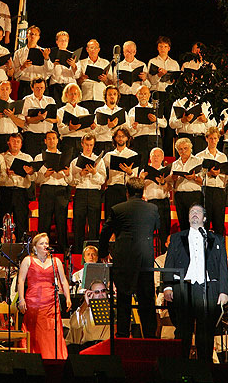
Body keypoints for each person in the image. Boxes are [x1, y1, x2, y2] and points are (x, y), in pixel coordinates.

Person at [163, 204, 228, 360]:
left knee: (206, 330)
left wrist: (223, 291)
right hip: (183, 286)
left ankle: (205, 366)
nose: (194, 214)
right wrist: (167, 286)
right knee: (183, 329)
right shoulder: (177, 237)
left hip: (208, 287)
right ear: (187, 217)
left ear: (204, 218)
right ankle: (181, 365)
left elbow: (222, 267)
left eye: (198, 212)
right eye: (191, 211)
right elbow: (169, 262)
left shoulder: (217, 239)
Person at [99, 177, 159, 338]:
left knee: (124, 298)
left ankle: (123, 335)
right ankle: (150, 337)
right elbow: (157, 228)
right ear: (143, 192)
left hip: (124, 258)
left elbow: (105, 233)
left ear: (127, 192)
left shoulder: (118, 209)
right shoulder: (152, 208)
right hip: (145, 258)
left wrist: (103, 252)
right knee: (146, 299)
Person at [18, 233, 71, 359]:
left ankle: (53, 357)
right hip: (33, 302)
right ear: (35, 247)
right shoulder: (28, 260)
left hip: (51, 302)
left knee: (51, 332)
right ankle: (36, 357)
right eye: (41, 243)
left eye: (46, 243)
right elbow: (21, 280)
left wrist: (68, 297)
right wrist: (21, 299)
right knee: (36, 333)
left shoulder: (55, 261)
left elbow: (63, 280)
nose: (45, 246)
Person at [69, 134, 107, 253]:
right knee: (78, 224)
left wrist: (94, 172)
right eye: (86, 144)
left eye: (91, 145)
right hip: (80, 192)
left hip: (94, 193)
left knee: (94, 224)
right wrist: (81, 174)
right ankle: (78, 253)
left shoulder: (99, 161)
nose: (88, 147)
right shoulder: (75, 162)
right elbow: (70, 181)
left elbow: (102, 180)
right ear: (82, 144)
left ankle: (93, 253)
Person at [0, 132, 34, 243]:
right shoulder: (2, 157)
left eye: (18, 141)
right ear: (8, 142)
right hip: (6, 191)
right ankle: (3, 246)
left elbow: (34, 178)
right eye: (13, 141)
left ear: (21, 144)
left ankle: (21, 245)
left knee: (21, 221)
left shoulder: (27, 157)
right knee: (4, 220)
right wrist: (5, 173)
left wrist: (29, 172)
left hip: (21, 191)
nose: (15, 143)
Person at [197, 127, 228, 236]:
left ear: (218, 139)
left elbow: (226, 175)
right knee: (205, 221)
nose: (213, 141)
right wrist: (208, 173)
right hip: (206, 190)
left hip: (219, 190)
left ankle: (218, 250)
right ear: (206, 139)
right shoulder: (200, 156)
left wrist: (220, 173)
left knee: (219, 222)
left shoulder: (223, 156)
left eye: (215, 138)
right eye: (211, 138)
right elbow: (198, 174)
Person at [102, 126, 139, 220]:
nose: (120, 138)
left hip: (125, 189)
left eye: (123, 136)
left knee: (124, 217)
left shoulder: (133, 155)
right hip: (111, 188)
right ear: (115, 138)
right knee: (110, 217)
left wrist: (129, 172)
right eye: (118, 136)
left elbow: (135, 176)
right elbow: (102, 173)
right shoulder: (108, 155)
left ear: (127, 138)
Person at [140, 147, 172, 254]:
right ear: (150, 157)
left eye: (158, 156)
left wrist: (163, 182)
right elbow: (138, 188)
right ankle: (148, 257)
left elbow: (170, 188)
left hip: (163, 202)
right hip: (149, 203)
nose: (156, 158)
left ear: (162, 158)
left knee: (164, 231)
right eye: (154, 155)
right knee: (148, 232)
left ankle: (163, 257)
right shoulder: (144, 171)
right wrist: (141, 179)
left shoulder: (167, 171)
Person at [66, 279, 111, 353]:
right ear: (90, 294)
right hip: (89, 346)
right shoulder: (85, 310)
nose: (101, 294)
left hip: (107, 346)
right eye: (97, 292)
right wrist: (86, 303)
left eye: (103, 291)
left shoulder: (112, 309)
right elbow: (74, 325)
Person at [170, 138, 204, 231]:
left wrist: (194, 177)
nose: (183, 151)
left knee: (196, 224)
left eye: (185, 148)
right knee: (183, 224)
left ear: (190, 149)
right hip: (180, 196)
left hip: (194, 195)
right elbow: (172, 183)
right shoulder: (175, 164)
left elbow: (203, 182)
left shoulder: (198, 161)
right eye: (180, 149)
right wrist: (174, 178)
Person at [128, 85, 164, 169]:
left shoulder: (155, 108)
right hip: (140, 139)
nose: (143, 96)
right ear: (137, 96)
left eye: (145, 94)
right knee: (141, 165)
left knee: (156, 164)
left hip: (154, 138)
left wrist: (156, 120)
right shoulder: (132, 111)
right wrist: (134, 127)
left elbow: (165, 124)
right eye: (141, 94)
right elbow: (130, 131)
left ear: (149, 96)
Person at [57, 82, 97, 160]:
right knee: (67, 165)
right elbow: (60, 130)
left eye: (75, 94)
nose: (73, 96)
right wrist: (70, 128)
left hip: (81, 141)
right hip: (68, 142)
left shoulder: (84, 111)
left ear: (78, 95)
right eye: (71, 94)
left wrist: (92, 127)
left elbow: (87, 130)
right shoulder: (61, 111)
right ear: (66, 95)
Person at [13, 25, 53, 98]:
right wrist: (23, 67)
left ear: (38, 37)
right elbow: (15, 75)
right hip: (25, 86)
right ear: (27, 35)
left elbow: (50, 71)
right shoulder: (19, 53)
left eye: (35, 34)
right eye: (31, 34)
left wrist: (46, 58)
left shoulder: (44, 52)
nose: (33, 36)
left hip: (40, 86)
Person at [22, 77, 57, 158]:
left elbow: (56, 119)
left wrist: (45, 118)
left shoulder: (50, 100)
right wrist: (38, 118)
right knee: (32, 160)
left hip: (47, 137)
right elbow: (25, 119)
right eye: (37, 88)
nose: (39, 90)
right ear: (32, 88)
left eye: (42, 88)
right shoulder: (27, 100)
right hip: (32, 136)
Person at [75, 39, 109, 113]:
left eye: (96, 48)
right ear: (87, 49)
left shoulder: (105, 63)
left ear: (99, 50)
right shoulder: (81, 63)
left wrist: (105, 79)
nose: (93, 50)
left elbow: (111, 83)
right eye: (91, 48)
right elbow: (76, 83)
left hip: (100, 97)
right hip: (86, 97)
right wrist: (82, 78)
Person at [93, 85, 125, 155]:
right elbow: (96, 130)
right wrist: (108, 127)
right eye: (110, 94)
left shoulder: (122, 112)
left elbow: (127, 129)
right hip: (102, 143)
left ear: (117, 97)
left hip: (117, 144)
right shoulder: (99, 110)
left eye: (114, 94)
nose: (112, 96)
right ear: (106, 97)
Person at [49, 30, 77, 106]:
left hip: (70, 86)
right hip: (56, 86)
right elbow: (46, 72)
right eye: (61, 40)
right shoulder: (51, 55)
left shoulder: (73, 56)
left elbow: (77, 74)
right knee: (57, 109)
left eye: (65, 40)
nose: (63, 42)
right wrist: (53, 65)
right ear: (57, 42)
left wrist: (73, 65)